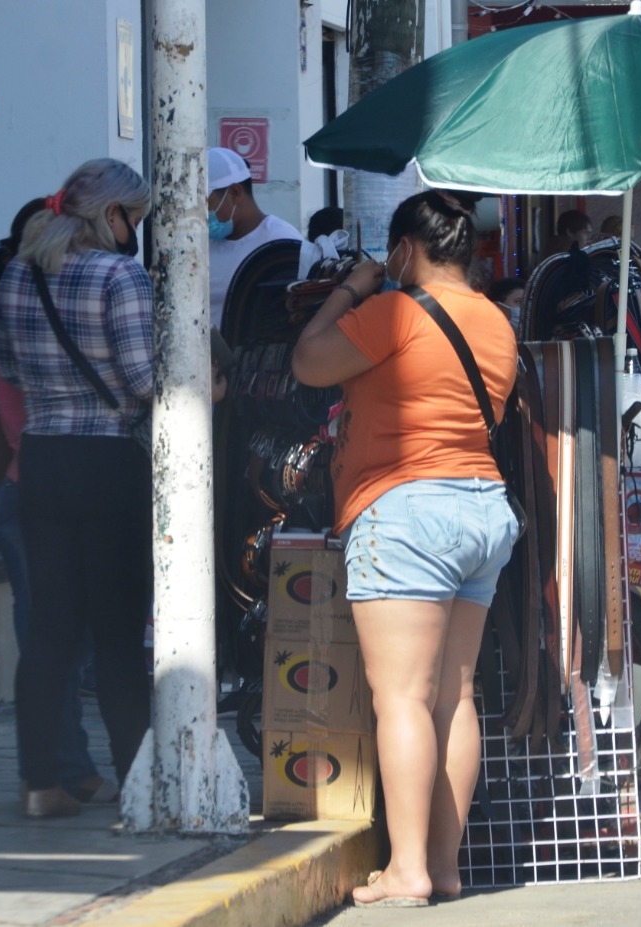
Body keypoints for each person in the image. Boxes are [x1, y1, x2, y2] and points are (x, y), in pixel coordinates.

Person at [291, 189, 520, 907]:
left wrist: (356, 286)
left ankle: (408, 868)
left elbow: (309, 361)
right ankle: (445, 865)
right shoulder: (498, 323)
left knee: (401, 698)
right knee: (455, 694)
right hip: (482, 508)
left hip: (406, 509)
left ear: (404, 250)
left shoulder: (392, 310)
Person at [0, 158, 155, 818]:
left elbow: (6, 366)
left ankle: (40, 782)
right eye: (133, 217)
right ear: (110, 215)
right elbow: (145, 382)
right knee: (118, 633)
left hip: (42, 460)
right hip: (109, 460)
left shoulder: (16, 274)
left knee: (51, 631)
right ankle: (136, 780)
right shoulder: (120, 275)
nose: (135, 230)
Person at [0, 198, 116, 806]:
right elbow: (19, 421)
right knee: (58, 634)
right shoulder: (25, 315)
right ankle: (59, 770)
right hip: (37, 484)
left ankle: (55, 771)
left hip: (22, 484)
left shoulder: (16, 311)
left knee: (57, 632)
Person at [207, 147, 303, 329]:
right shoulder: (201, 244)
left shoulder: (280, 243)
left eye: (206, 203)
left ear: (235, 193)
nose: (201, 214)